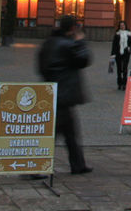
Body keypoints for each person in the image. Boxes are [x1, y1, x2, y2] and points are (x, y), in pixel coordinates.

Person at [37, 15, 92, 175]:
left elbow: (41, 67)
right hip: (63, 94)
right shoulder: (68, 45)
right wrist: (80, 41)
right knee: (54, 133)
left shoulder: (49, 42)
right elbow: (84, 59)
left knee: (70, 133)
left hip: (51, 92)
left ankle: (78, 165)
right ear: (72, 28)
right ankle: (36, 166)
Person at [110, 20, 131, 90]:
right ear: (119, 26)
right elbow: (114, 45)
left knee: (125, 68)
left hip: (126, 53)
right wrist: (112, 54)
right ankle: (119, 83)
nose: (122, 26)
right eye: (121, 25)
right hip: (118, 53)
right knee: (119, 69)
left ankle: (125, 84)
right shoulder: (117, 34)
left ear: (125, 26)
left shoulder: (129, 34)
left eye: (123, 25)